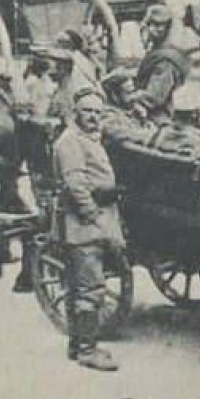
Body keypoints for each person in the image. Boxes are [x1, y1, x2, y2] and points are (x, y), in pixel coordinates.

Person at [52, 87, 123, 372]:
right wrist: (95, 217)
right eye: (87, 111)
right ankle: (87, 350)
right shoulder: (70, 142)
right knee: (90, 288)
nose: (93, 117)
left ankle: (77, 344)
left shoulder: (86, 138)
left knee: (77, 285)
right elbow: (76, 186)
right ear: (75, 113)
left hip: (86, 223)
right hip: (82, 226)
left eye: (97, 112)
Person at [130, 4, 190, 120]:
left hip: (157, 117)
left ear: (168, 28)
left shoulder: (166, 61)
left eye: (159, 25)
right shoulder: (158, 52)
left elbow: (155, 96)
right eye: (150, 24)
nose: (152, 29)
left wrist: (131, 97)